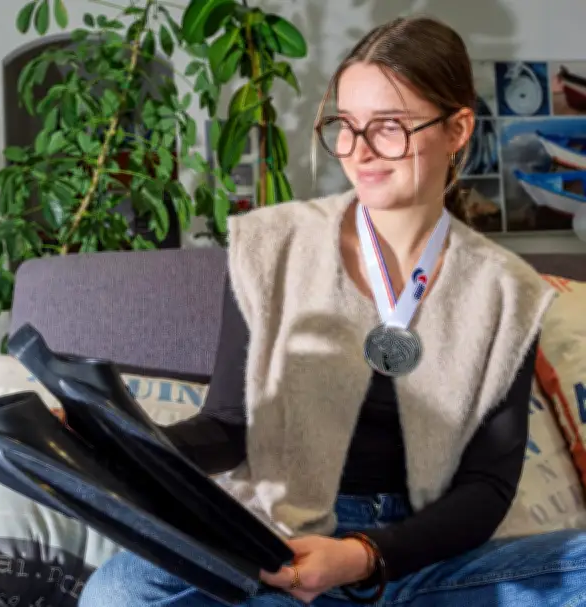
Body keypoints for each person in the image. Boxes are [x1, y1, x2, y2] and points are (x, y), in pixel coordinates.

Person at [78, 16, 586, 606]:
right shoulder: (272, 253)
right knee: (118, 593)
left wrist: (363, 557)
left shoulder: (504, 292)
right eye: (345, 126)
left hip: (427, 559)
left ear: (457, 129)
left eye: (389, 127)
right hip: (284, 547)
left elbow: (486, 485)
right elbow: (226, 428)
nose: (359, 152)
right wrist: (117, 440)